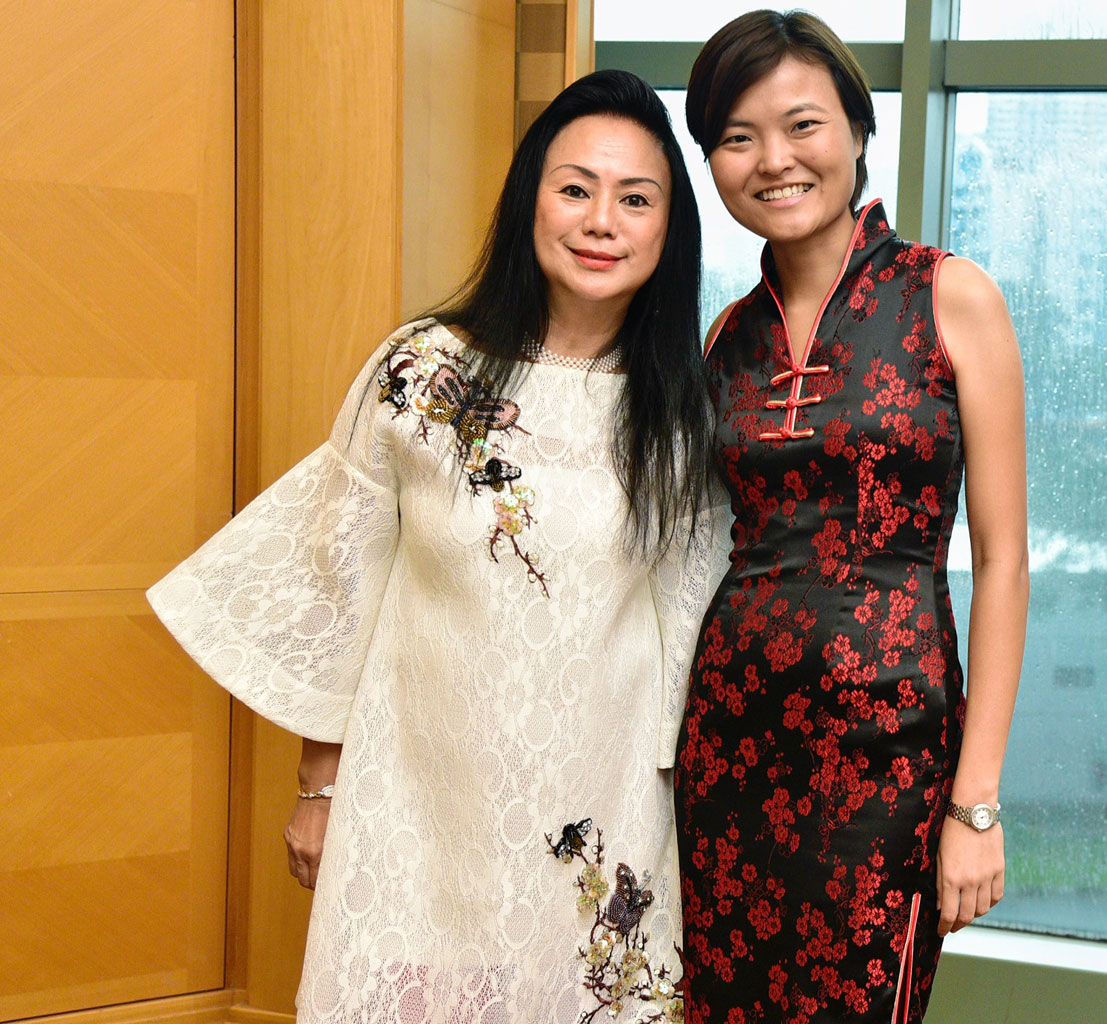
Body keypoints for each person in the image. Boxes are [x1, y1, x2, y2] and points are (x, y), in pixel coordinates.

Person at [149, 69, 728, 1024]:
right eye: (574, 188)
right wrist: (318, 789)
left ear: (669, 231)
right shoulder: (423, 371)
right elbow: (342, 585)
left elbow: (687, 626)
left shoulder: (682, 411)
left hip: (598, 814)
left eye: (636, 199)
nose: (601, 221)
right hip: (418, 806)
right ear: (529, 199)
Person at [674, 11, 1031, 1023]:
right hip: (728, 753)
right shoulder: (725, 338)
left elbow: (1003, 561)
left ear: (858, 132)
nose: (774, 161)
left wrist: (976, 801)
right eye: (737, 138)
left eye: (802, 126)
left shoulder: (949, 297)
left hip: (889, 766)